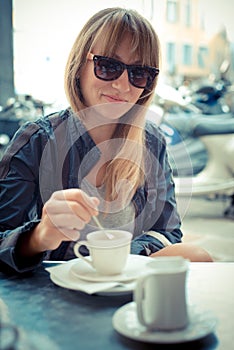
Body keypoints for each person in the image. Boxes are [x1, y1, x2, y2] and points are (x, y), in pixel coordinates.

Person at [0, 7, 212, 274]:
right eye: (108, 66)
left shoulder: (151, 142)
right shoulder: (37, 141)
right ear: (80, 66)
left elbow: (167, 232)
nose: (123, 86)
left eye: (139, 73)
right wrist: (39, 236)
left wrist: (116, 257)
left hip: (124, 285)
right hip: (53, 294)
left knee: (198, 256)